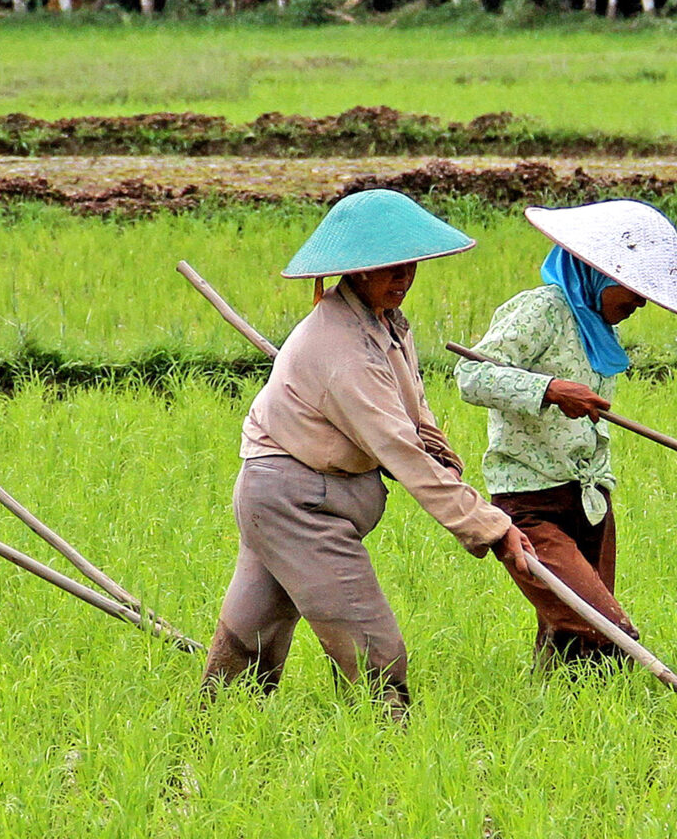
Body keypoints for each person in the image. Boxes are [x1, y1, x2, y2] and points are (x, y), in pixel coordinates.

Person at [205, 188, 538, 716]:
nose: (403, 280)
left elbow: (411, 407)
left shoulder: (385, 323)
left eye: (409, 268)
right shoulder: (339, 350)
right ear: (356, 272)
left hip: (293, 495)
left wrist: (442, 452)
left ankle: (211, 740)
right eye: (390, 270)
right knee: (371, 645)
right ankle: (387, 757)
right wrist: (489, 527)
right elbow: (398, 449)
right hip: (297, 503)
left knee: (253, 637)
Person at [456, 199, 677, 668]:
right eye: (634, 289)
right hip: (530, 500)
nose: (639, 303)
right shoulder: (543, 310)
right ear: (597, 273)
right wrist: (550, 389)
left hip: (590, 497)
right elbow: (472, 377)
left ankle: (554, 723)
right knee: (605, 630)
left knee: (575, 643)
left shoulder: (598, 328)